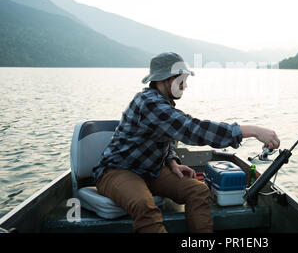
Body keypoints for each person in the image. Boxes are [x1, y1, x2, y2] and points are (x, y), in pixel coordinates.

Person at [93, 52, 280, 233]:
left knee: (198, 190)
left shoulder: (163, 103)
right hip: (118, 171)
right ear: (163, 80)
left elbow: (165, 140)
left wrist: (171, 161)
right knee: (144, 206)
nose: (185, 86)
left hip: (152, 172)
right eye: (181, 81)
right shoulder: (149, 103)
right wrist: (253, 131)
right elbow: (192, 129)